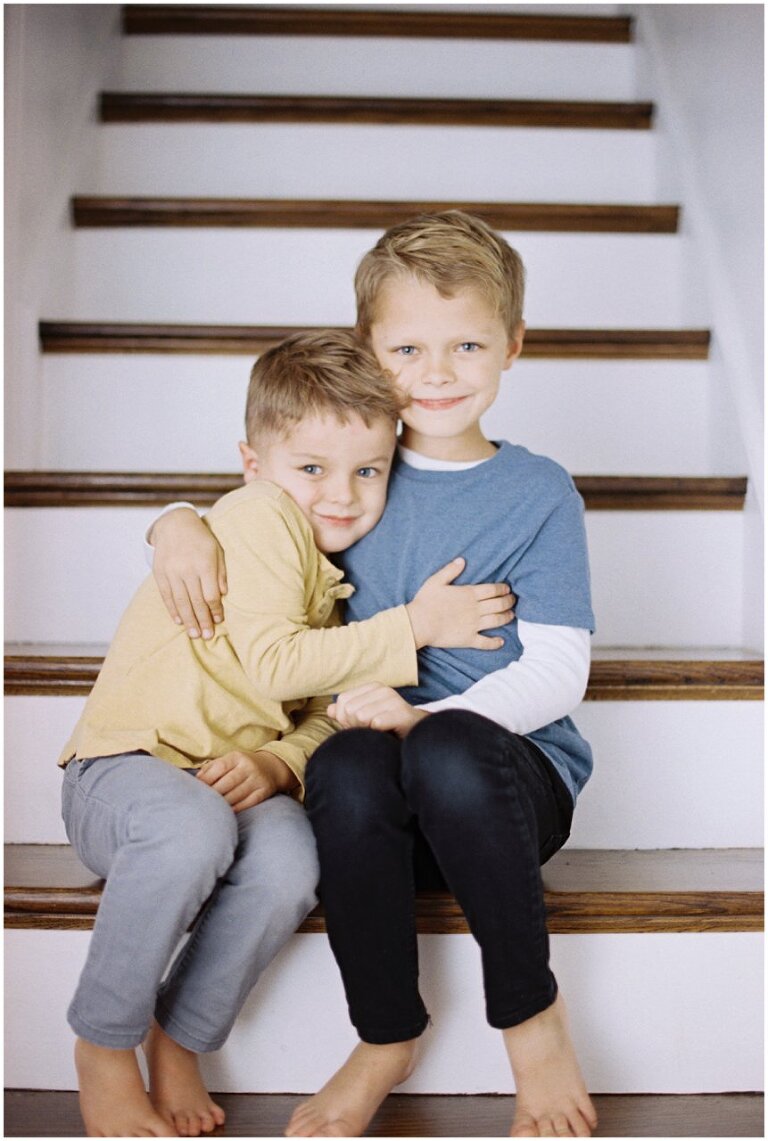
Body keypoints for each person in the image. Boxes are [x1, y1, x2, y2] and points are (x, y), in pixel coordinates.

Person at [149, 211, 598, 1139]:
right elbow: (254, 508)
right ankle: (384, 1035)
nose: (437, 372)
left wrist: (420, 719)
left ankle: (530, 1015)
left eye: (467, 343)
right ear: (368, 350)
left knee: (444, 747)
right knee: (347, 766)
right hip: (382, 815)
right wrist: (176, 520)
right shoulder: (349, 475)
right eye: (408, 348)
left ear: (512, 346)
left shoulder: (538, 489)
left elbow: (560, 671)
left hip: (503, 793)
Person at [58, 329, 514, 1139]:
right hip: (124, 772)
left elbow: (320, 712)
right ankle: (103, 1044)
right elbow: (277, 666)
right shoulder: (260, 518)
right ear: (254, 463)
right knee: (189, 826)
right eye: (313, 468)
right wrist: (417, 625)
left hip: (226, 783)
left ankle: (181, 1034)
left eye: (367, 470)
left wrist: (278, 760)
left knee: (294, 859)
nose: (342, 493)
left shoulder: (335, 582)